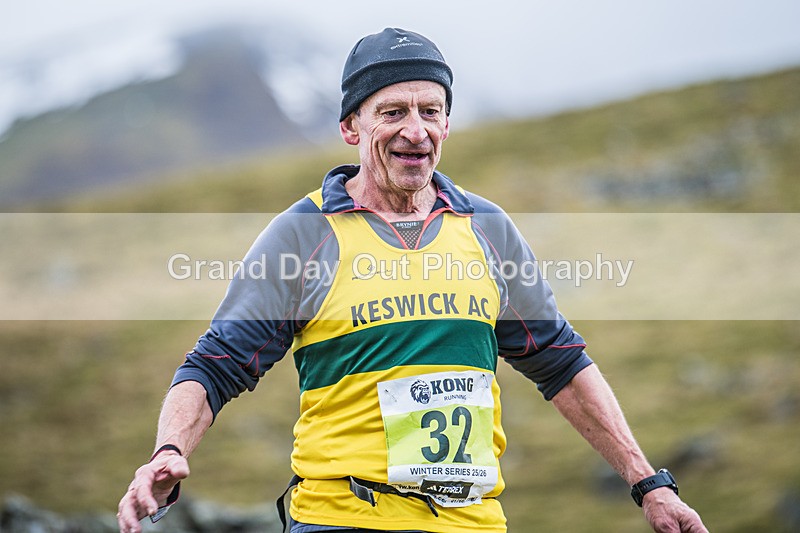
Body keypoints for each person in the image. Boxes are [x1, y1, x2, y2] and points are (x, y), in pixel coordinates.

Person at [117, 28, 708, 533]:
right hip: (343, 518)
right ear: (352, 125)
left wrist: (648, 482)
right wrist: (167, 453)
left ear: (447, 121)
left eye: (431, 111)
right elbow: (215, 364)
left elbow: (560, 362)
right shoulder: (304, 234)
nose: (416, 130)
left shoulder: (487, 229)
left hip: (473, 520)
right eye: (393, 112)